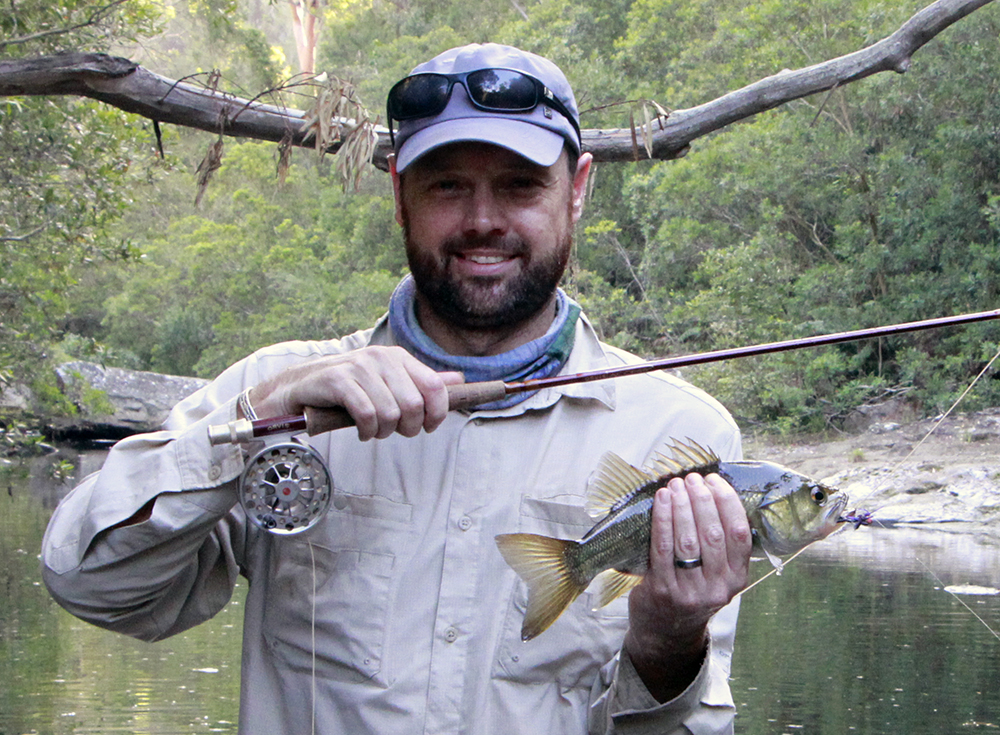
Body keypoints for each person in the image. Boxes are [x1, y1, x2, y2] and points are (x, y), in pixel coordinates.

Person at [42, 43, 752, 734]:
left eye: (520, 185)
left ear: (577, 191)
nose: (483, 220)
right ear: (398, 196)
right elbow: (89, 584)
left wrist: (667, 644)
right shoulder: (272, 394)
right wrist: (255, 421)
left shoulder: (680, 436)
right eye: (447, 185)